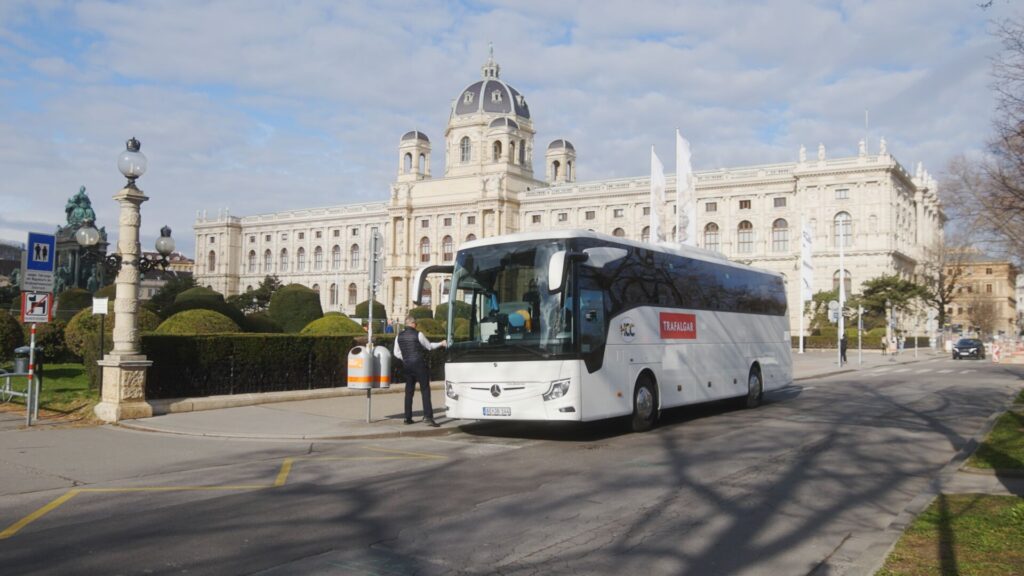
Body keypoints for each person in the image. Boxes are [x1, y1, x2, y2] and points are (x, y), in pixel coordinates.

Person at [394, 315, 447, 426]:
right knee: (425, 390)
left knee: (409, 391)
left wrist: (405, 358)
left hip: (407, 365)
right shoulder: (418, 334)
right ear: (413, 324)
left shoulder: (398, 336)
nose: (416, 325)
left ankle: (407, 418)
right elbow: (429, 346)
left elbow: (396, 353)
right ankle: (428, 416)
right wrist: (441, 343)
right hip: (419, 365)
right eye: (416, 323)